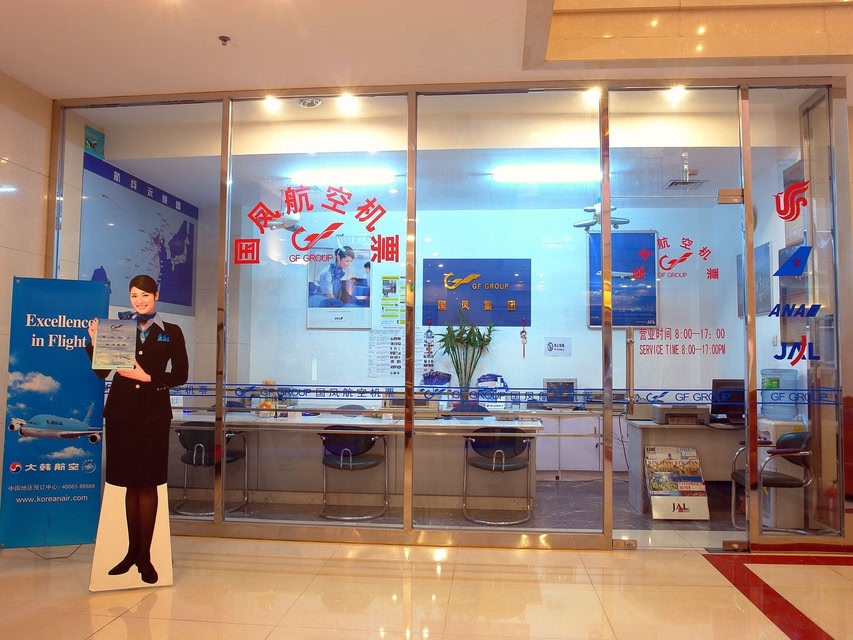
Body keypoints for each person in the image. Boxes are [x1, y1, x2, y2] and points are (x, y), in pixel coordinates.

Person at [86, 275, 189, 584]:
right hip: (121, 414)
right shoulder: (117, 328)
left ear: (156, 295)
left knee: (148, 483)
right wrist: (94, 341)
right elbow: (102, 372)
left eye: (145, 294)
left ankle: (145, 556)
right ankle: (132, 553)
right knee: (129, 483)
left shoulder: (171, 331)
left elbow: (181, 374)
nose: (139, 300)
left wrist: (149, 379)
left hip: (153, 415)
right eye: (134, 295)